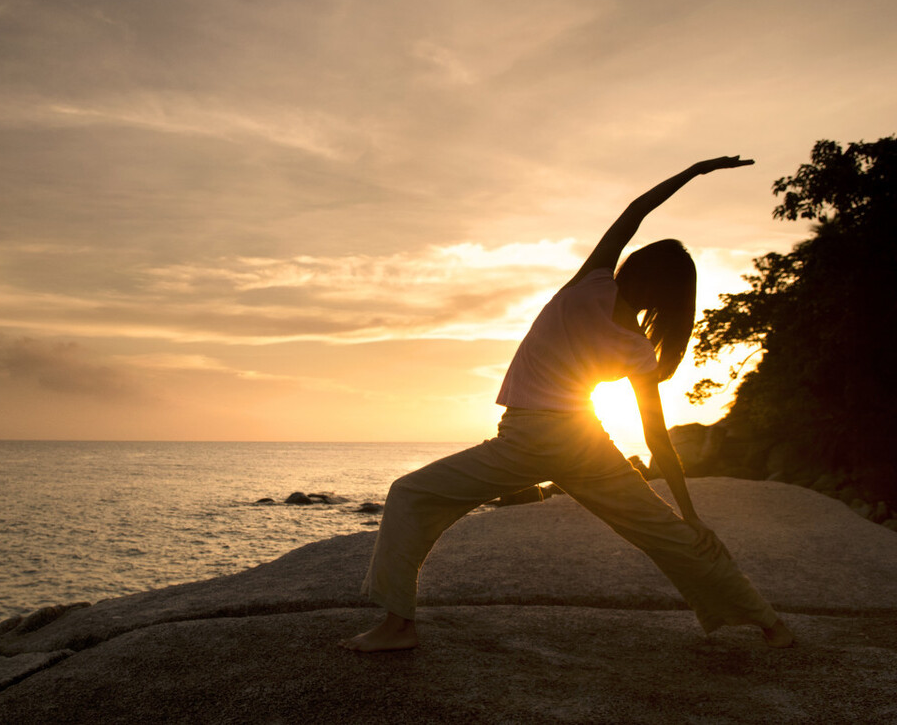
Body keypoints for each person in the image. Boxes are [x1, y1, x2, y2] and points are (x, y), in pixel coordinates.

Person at [340, 156, 793, 652]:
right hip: (585, 443)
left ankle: (398, 626)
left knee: (410, 494)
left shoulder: (590, 282)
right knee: (673, 536)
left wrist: (694, 172)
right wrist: (690, 513)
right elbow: (656, 438)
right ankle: (770, 623)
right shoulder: (639, 345)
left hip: (530, 438)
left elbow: (636, 210)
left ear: (635, 265)